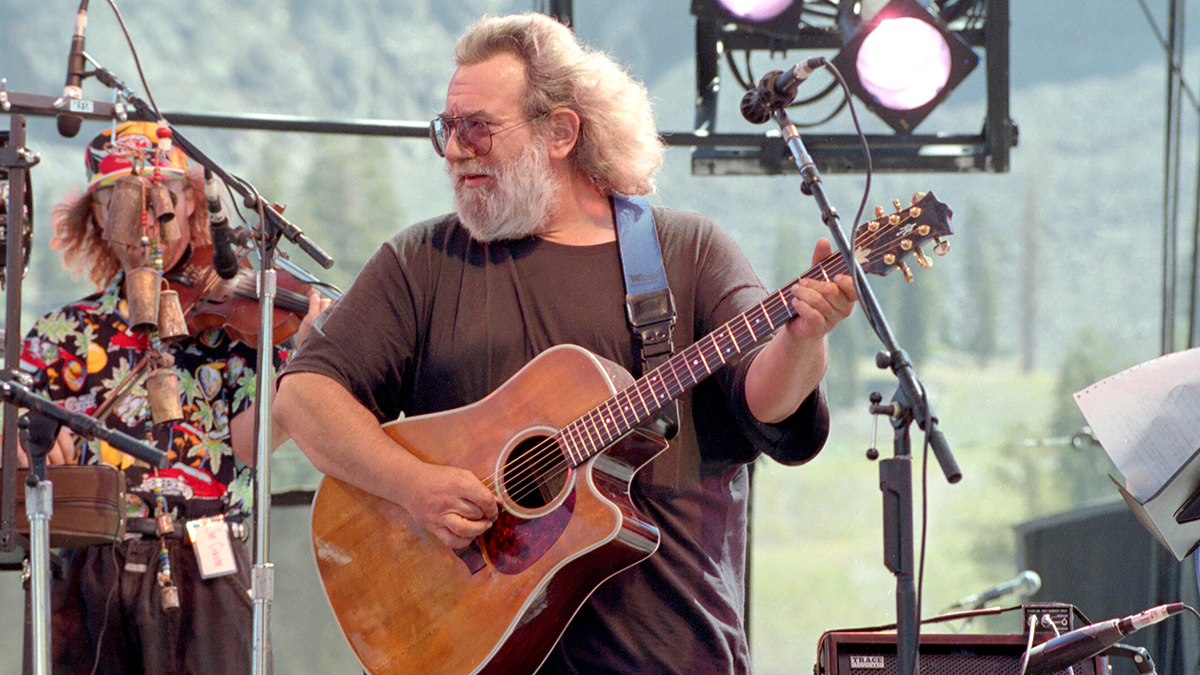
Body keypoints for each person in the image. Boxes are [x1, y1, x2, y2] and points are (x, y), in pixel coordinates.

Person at [272, 12, 856, 675]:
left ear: (561, 132)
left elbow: (767, 400)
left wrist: (805, 343)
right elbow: (304, 399)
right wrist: (415, 486)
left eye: (478, 128)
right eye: (447, 129)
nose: (456, 150)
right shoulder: (423, 262)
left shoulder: (686, 252)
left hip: (672, 656)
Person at [16, 121, 328, 675]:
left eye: (161, 197)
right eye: (119, 199)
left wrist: (302, 364)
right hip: (91, 567)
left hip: (206, 560)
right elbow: (21, 457)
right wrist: (28, 454)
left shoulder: (238, 325)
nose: (142, 220)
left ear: (191, 206)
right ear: (96, 217)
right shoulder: (61, 332)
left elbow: (251, 447)